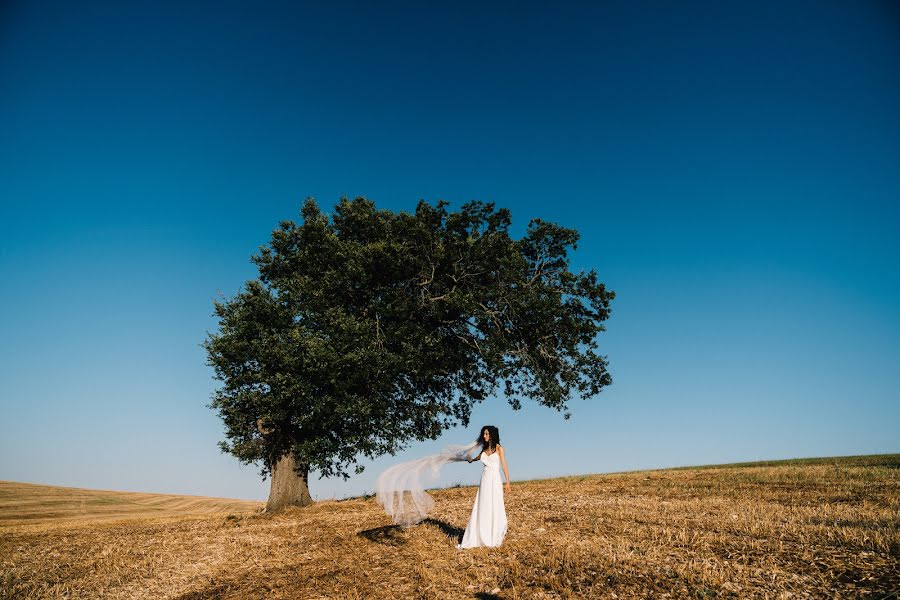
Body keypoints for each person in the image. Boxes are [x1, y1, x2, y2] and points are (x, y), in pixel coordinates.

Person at [457, 425, 510, 549]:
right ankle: (480, 534)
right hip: (485, 479)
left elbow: (504, 466)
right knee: (483, 504)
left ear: (492, 434)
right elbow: (478, 458)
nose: (484, 436)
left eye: (486, 434)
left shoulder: (499, 448)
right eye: (484, 434)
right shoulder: (484, 450)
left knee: (494, 504)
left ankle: (493, 534)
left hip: (495, 478)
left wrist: (507, 482)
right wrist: (471, 460)